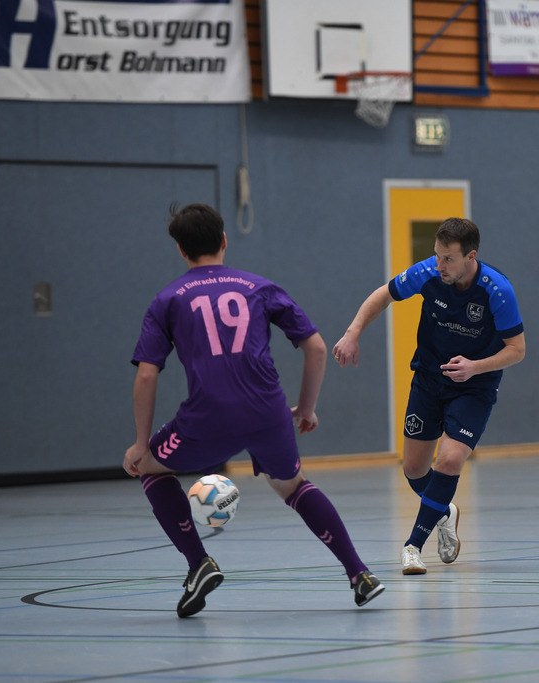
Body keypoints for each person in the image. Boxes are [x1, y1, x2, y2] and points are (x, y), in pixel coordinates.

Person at [123, 203, 383, 617]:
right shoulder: (259, 287)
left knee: (149, 467)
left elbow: (147, 376)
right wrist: (307, 408)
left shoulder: (167, 299)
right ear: (224, 241)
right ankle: (360, 574)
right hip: (269, 413)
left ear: (180, 250)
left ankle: (199, 563)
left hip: (207, 416)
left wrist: (140, 443)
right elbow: (315, 347)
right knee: (292, 484)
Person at [333, 217, 525, 574]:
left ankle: (412, 547)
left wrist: (476, 366)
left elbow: (517, 349)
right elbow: (383, 295)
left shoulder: (498, 291)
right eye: (437, 256)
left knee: (449, 462)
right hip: (428, 379)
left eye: (448, 259)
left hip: (474, 385)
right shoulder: (429, 273)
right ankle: (444, 511)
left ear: (471, 257)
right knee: (414, 468)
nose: (440, 266)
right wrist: (352, 332)